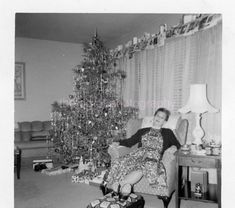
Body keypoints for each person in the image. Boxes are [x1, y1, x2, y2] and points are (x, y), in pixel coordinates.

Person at [102, 108, 181, 196]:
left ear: (164, 121)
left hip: (152, 157)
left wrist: (176, 137)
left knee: (142, 167)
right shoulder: (143, 131)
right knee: (121, 161)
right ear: (154, 117)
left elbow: (178, 146)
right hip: (138, 154)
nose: (159, 118)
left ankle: (120, 185)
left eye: (162, 118)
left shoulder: (168, 132)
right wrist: (118, 142)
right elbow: (130, 142)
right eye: (157, 115)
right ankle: (124, 186)